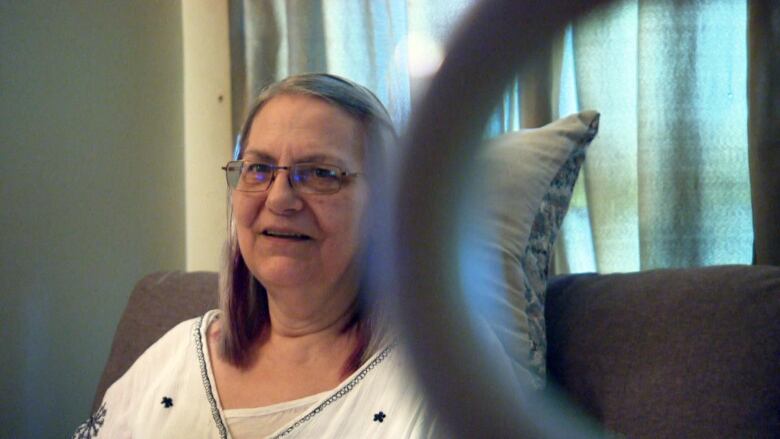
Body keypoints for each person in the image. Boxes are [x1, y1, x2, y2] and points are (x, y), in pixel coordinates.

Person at [73, 73, 447, 438]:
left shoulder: (440, 378)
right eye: (258, 169)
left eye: (320, 172)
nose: (279, 197)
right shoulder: (173, 358)